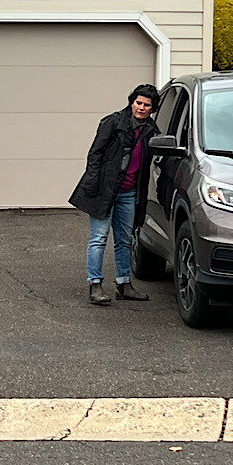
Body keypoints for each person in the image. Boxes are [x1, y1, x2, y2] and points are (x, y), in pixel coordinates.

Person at [69, 84, 159, 305]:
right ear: (132, 102)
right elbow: (95, 155)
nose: (141, 108)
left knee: (125, 240)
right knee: (99, 239)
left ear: (152, 108)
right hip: (105, 191)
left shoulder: (150, 130)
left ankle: (124, 284)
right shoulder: (112, 122)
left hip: (129, 193)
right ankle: (95, 284)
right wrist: (93, 185)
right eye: (138, 103)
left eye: (146, 105)